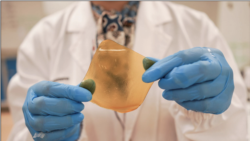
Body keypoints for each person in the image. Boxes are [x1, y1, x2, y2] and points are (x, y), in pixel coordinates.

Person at [7, 1, 248, 141]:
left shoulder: (197, 26)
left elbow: (240, 132)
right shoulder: (43, 38)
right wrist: (41, 134)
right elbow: (20, 133)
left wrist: (216, 117)